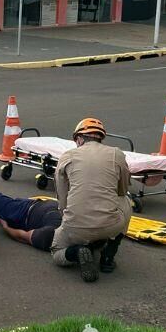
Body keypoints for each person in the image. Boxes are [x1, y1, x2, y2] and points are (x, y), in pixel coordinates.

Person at [50, 117, 131, 283]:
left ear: (79, 139)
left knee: (57, 252)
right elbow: (122, 190)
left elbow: (62, 198)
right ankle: (108, 257)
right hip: (110, 226)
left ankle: (77, 251)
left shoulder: (67, 156)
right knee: (126, 202)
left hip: (75, 227)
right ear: (100, 137)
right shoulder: (117, 153)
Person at [0, 181, 60, 252]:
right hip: (34, 205)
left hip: (22, 213)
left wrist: (6, 227)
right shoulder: (71, 216)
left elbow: (22, 236)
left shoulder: (50, 235)